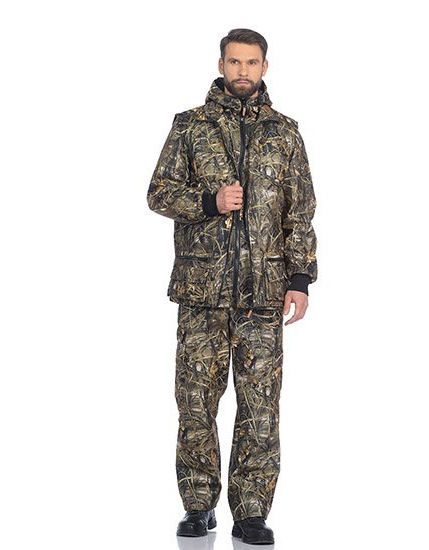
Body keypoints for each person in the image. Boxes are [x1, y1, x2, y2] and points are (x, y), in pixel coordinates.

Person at [147, 28, 318, 546]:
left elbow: (300, 210)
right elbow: (158, 192)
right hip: (202, 293)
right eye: (234, 62)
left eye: (252, 62)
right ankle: (198, 506)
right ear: (221, 65)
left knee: (260, 407)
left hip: (263, 295)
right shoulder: (190, 126)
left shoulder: (285, 133)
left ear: (265, 67)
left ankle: (251, 513)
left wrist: (300, 279)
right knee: (196, 403)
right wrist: (209, 202)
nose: (243, 71)